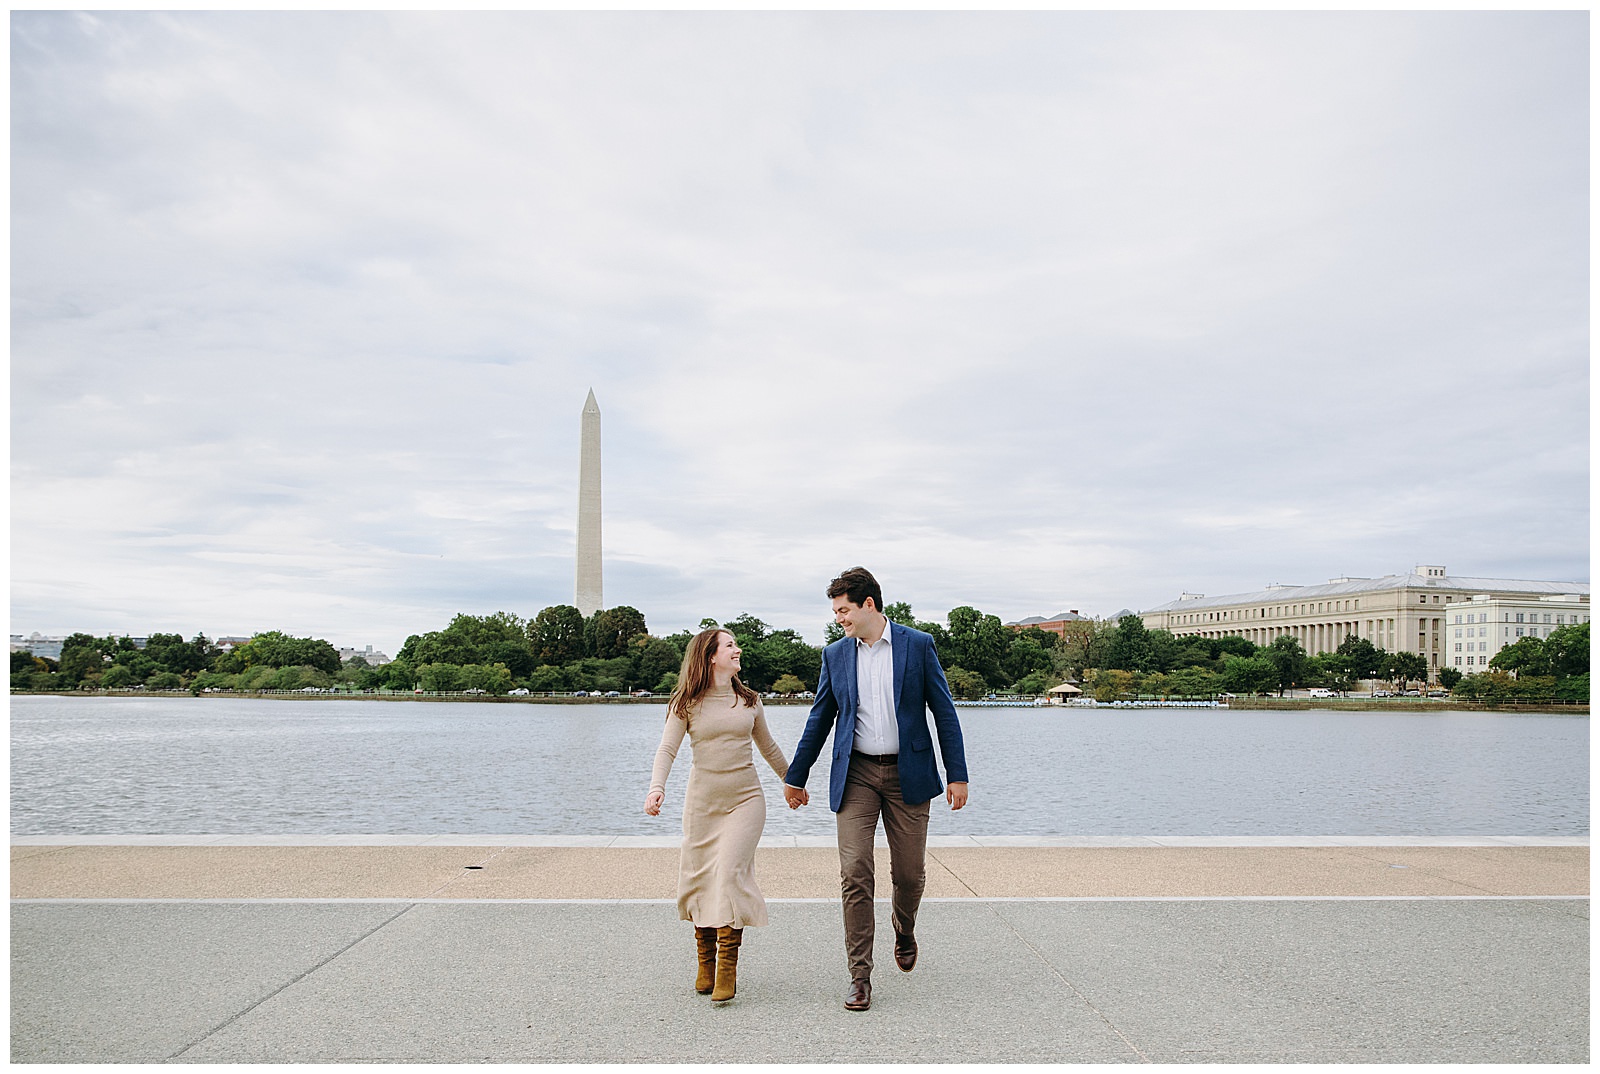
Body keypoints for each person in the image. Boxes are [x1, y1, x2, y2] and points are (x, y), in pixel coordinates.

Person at [783, 567, 969, 1012]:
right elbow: (820, 717)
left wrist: (957, 773)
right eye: (835, 612)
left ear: (869, 605)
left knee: (909, 875)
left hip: (910, 775)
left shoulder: (918, 645)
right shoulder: (835, 655)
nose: (838, 619)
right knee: (854, 873)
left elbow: (944, 712)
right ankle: (860, 976)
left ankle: (904, 929)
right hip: (857, 775)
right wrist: (797, 773)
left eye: (844, 610)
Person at [645, 627, 797, 1003]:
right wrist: (656, 786)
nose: (737, 649)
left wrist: (793, 781)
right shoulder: (686, 703)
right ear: (711, 655)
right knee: (700, 879)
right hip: (702, 805)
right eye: (730, 645)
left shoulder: (749, 700)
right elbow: (667, 749)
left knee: (729, 874)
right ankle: (705, 962)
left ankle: (727, 968)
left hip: (746, 800)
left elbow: (769, 747)